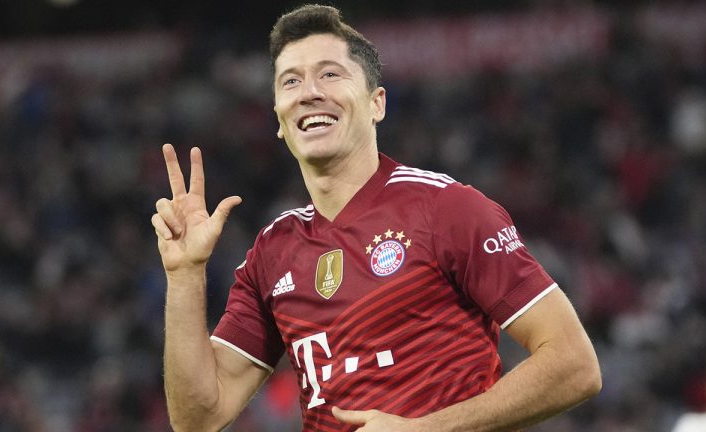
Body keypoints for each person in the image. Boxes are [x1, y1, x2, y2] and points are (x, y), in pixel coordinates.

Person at [151, 4, 602, 431]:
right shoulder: (272, 252)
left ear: (376, 103)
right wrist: (186, 274)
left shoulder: (447, 209)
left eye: (330, 74)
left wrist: (427, 428)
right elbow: (198, 419)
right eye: (290, 82)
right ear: (279, 119)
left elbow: (573, 364)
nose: (310, 92)